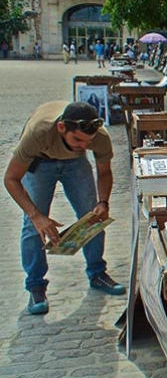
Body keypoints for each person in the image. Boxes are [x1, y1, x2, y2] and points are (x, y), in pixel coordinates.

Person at [3, 101, 125, 315]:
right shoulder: (38, 133)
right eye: (77, 139)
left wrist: (103, 203)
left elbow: (104, 172)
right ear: (61, 128)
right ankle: (36, 286)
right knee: (33, 226)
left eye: (88, 141)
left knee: (93, 216)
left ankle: (97, 272)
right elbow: (11, 179)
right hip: (40, 162)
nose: (84, 145)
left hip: (75, 163)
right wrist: (36, 215)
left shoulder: (98, 137)